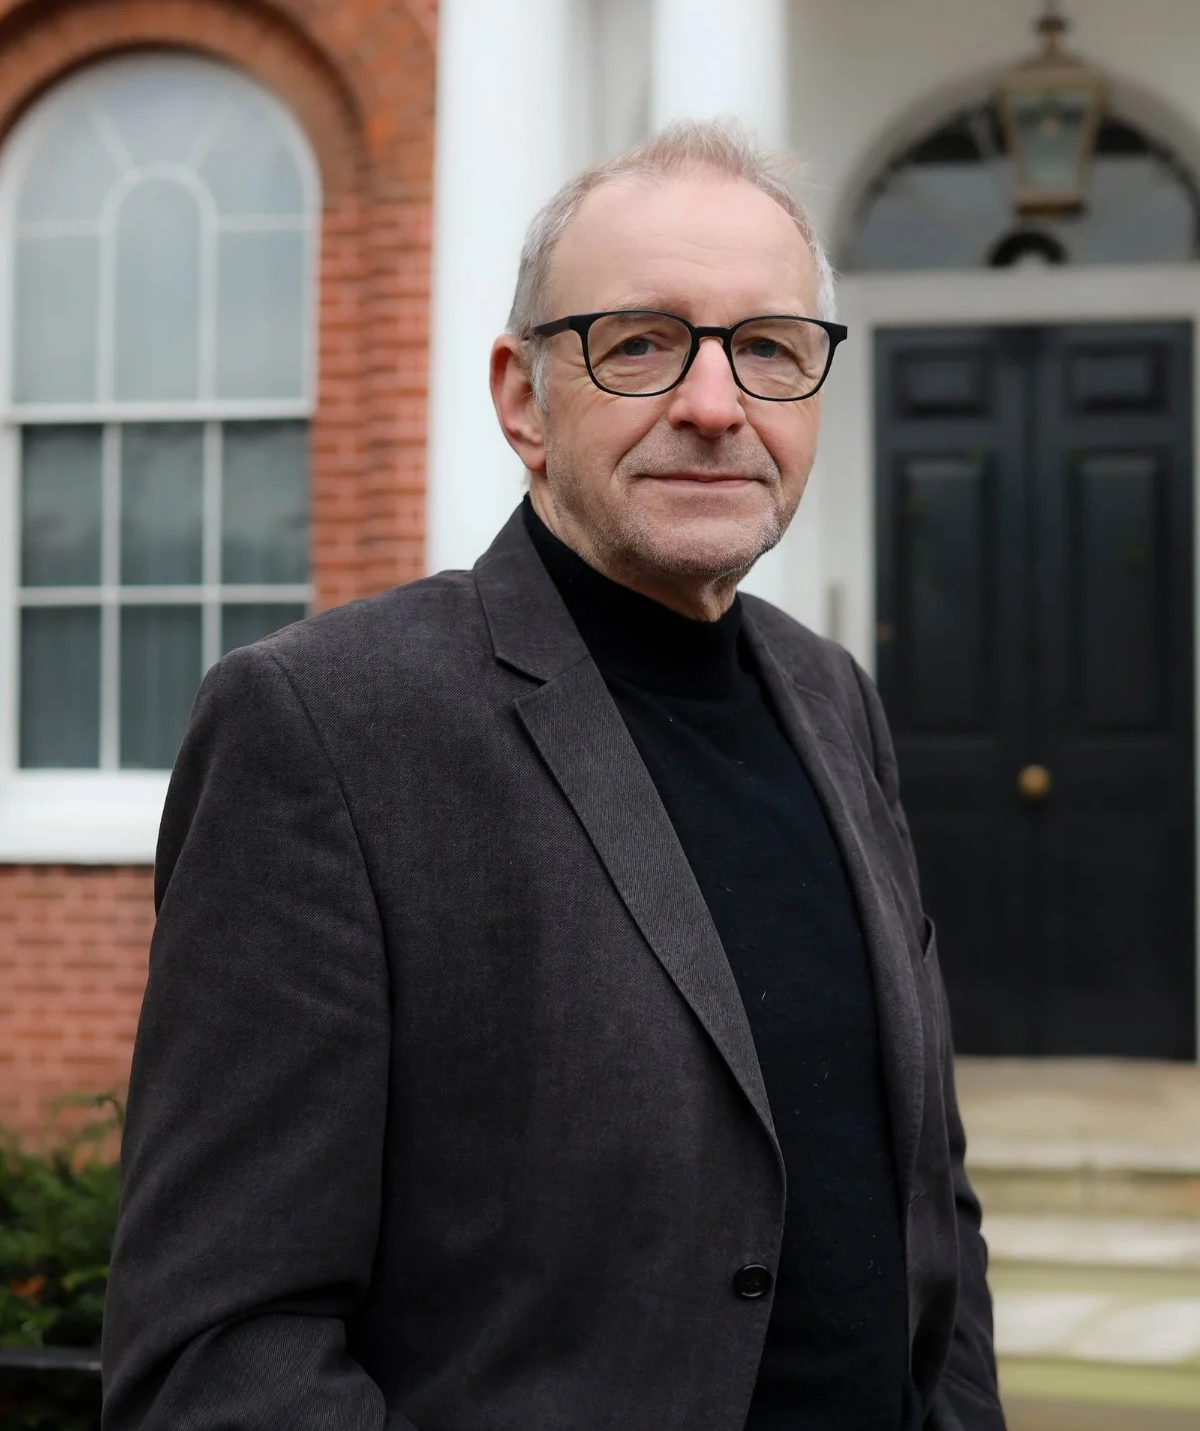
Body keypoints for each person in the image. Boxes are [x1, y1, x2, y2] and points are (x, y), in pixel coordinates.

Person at [102, 121, 1005, 1431]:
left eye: (767, 348)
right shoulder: (328, 726)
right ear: (525, 398)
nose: (715, 405)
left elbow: (935, 1204)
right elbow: (218, 1353)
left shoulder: (833, 701)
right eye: (640, 343)